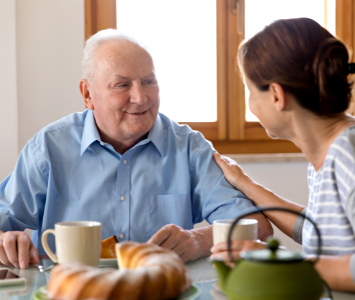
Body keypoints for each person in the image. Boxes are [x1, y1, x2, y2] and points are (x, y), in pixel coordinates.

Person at [210, 18, 355, 300]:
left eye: (250, 91)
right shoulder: (334, 151)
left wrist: (278, 264)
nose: (249, 103)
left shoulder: (352, 155)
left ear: (276, 95)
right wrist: (244, 182)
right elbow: (315, 230)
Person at [0, 29, 272, 269]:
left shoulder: (188, 147)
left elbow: (257, 228)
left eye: (149, 81)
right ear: (87, 95)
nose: (141, 97)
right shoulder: (49, 147)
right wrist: (6, 241)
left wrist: (198, 240)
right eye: (122, 85)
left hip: (161, 291)